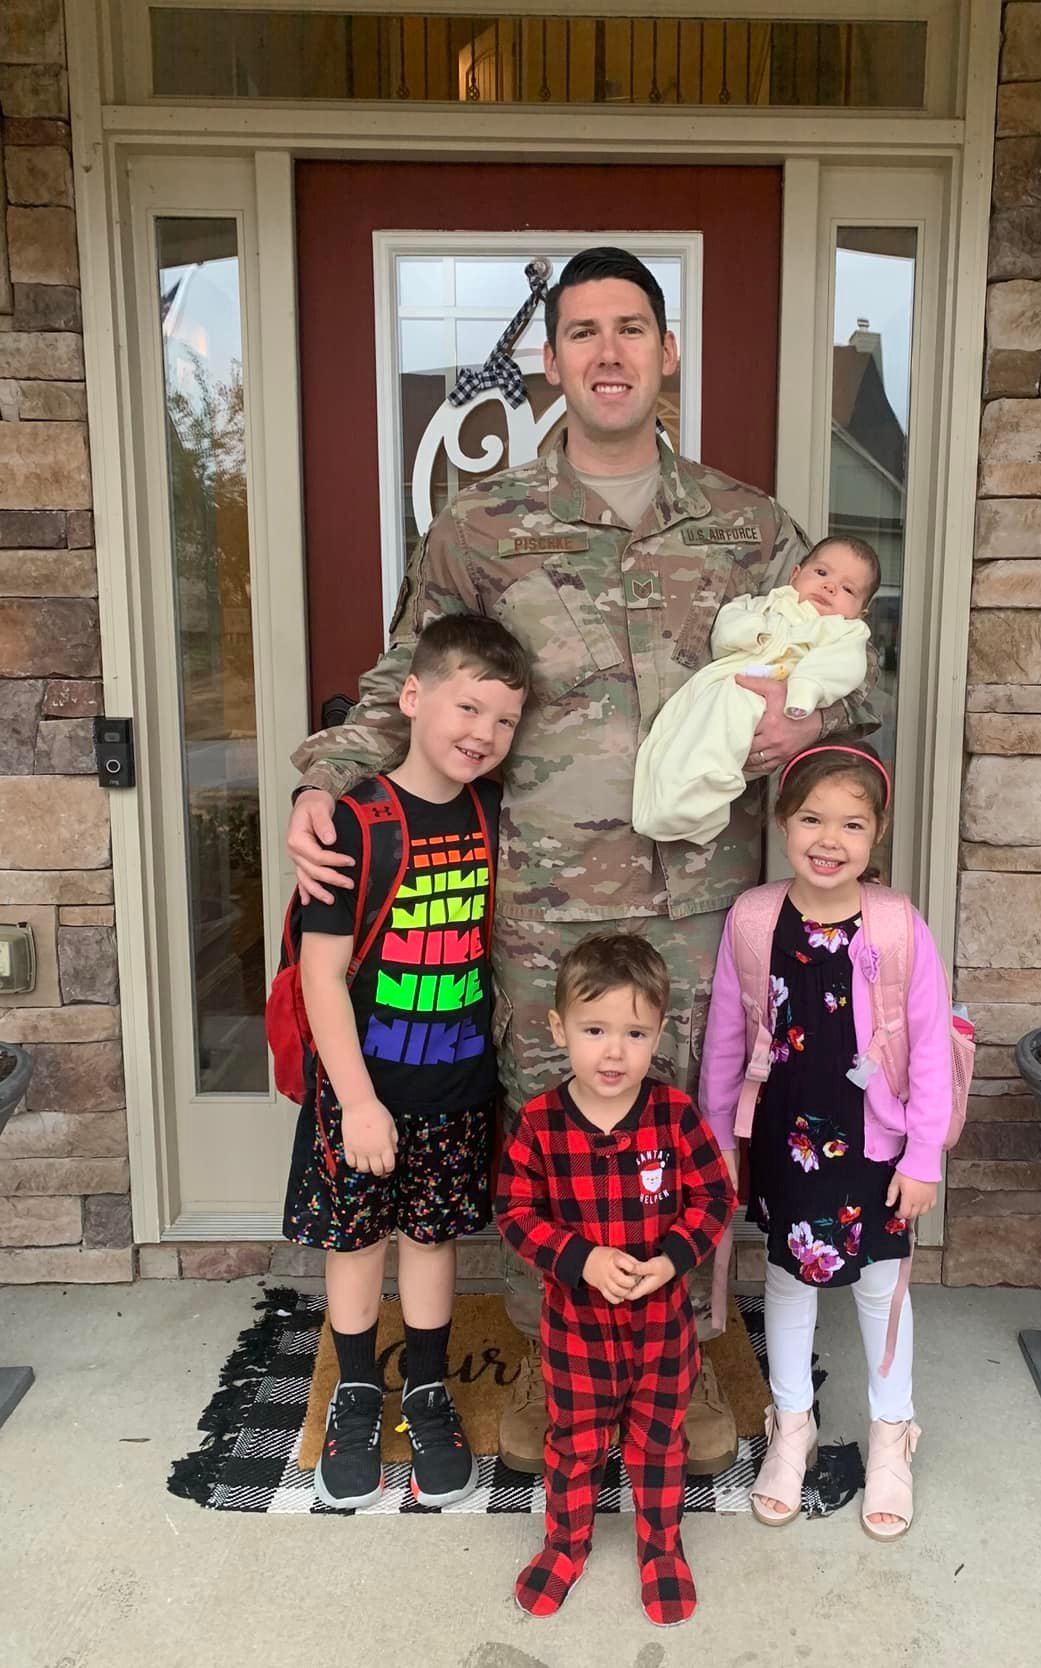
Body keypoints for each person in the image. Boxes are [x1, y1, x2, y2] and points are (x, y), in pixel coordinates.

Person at [285, 245, 876, 1476]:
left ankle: (678, 1372)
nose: (609, 352)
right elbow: (409, 684)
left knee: (687, 1139)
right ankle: (561, 1375)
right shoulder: (482, 527)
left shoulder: (751, 528)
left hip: (701, 910)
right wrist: (324, 775)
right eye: (584, 332)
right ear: (553, 364)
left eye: (632, 329)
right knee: (553, 1136)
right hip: (542, 908)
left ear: (668, 357)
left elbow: (842, 688)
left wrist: (807, 729)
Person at [281, 614, 529, 1509]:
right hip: (365, 1090)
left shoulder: (494, 812)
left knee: (431, 1239)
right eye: (468, 707)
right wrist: (356, 1103)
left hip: (456, 1084)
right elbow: (322, 975)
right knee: (356, 1244)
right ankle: (355, 1392)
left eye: (504, 720)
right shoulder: (353, 823)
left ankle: (426, 1391)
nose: (483, 734)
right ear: (414, 698)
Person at [698, 736, 953, 1539]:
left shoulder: (897, 926)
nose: (829, 840)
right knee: (788, 1281)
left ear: (875, 836)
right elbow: (726, 1041)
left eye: (851, 824)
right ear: (781, 822)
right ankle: (793, 1425)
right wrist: (716, 1145)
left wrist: (922, 1157)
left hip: (875, 1146)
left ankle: (891, 1434)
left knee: (882, 1287)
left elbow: (934, 1053)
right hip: (783, 1139)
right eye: (811, 818)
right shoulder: (754, 920)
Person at [494, 935, 735, 1623]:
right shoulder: (540, 1125)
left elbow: (714, 1200)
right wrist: (583, 1260)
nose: (613, 1052)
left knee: (660, 1443)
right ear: (558, 1028)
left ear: (658, 1033)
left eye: (635, 1033)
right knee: (572, 1443)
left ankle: (660, 1547)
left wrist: (671, 1259)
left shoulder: (674, 1116)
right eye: (595, 1030)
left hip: (661, 1327)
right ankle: (564, 1543)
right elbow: (513, 1213)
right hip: (575, 1331)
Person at [632, 536, 880, 844]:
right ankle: (670, 797)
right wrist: (758, 635)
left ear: (861, 612)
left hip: (780, 689)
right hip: (737, 675)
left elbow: (843, 667)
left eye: (848, 589)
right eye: (821, 573)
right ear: (794, 576)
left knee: (734, 717)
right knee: (681, 732)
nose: (830, 587)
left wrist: (805, 691)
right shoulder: (768, 604)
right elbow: (728, 624)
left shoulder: (844, 631)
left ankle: (702, 796)